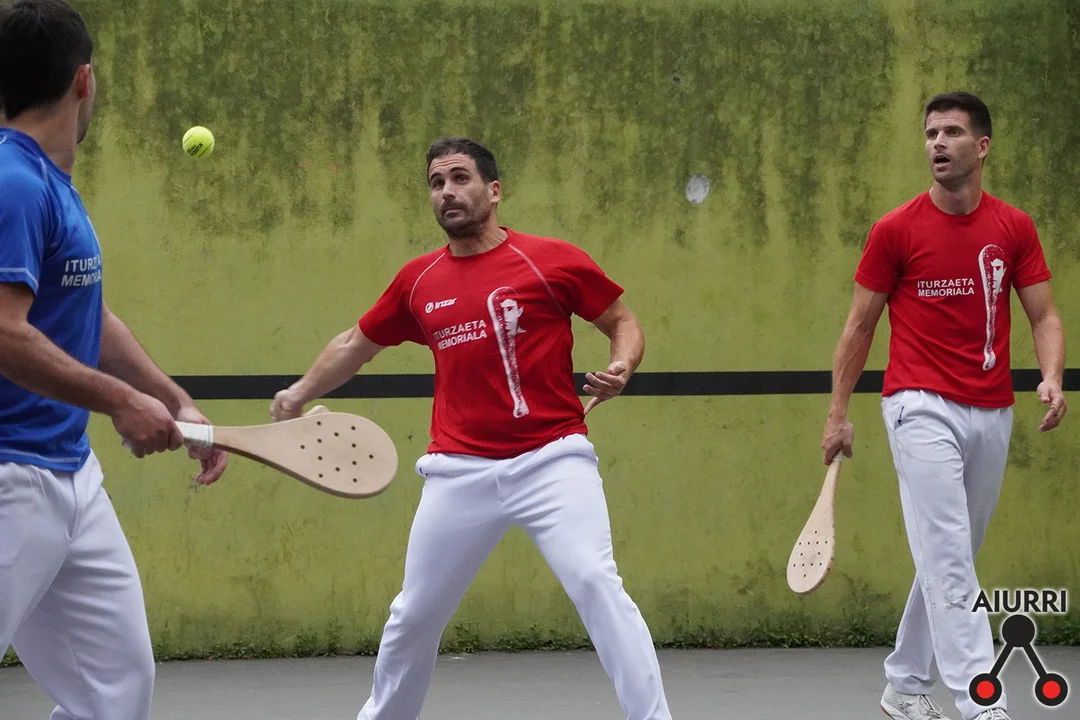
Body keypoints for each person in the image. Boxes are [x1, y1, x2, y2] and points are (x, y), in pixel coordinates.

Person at [270, 136, 672, 719]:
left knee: (594, 581)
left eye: (460, 178)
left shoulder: (552, 259)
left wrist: (621, 366)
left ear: (494, 190)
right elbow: (356, 343)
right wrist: (299, 393)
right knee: (414, 614)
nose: (447, 192)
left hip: (553, 459)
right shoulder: (418, 281)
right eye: (437, 183)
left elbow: (621, 321)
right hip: (458, 471)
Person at [0, 2, 229, 718]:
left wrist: (172, 396)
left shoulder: (51, 185)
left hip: (72, 477)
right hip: (10, 476)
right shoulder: (12, 183)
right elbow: (4, 332)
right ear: (84, 80)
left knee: (117, 693)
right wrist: (122, 402)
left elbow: (87, 315)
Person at [821, 91, 1067, 720]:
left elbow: (1043, 314)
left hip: (992, 408)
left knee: (951, 552)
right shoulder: (895, 229)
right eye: (931, 133)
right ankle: (981, 700)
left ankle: (905, 683)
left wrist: (1051, 377)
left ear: (981, 147)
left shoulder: (1014, 227)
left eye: (952, 132)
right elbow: (859, 327)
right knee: (950, 553)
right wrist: (838, 415)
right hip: (918, 404)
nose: (938, 143)